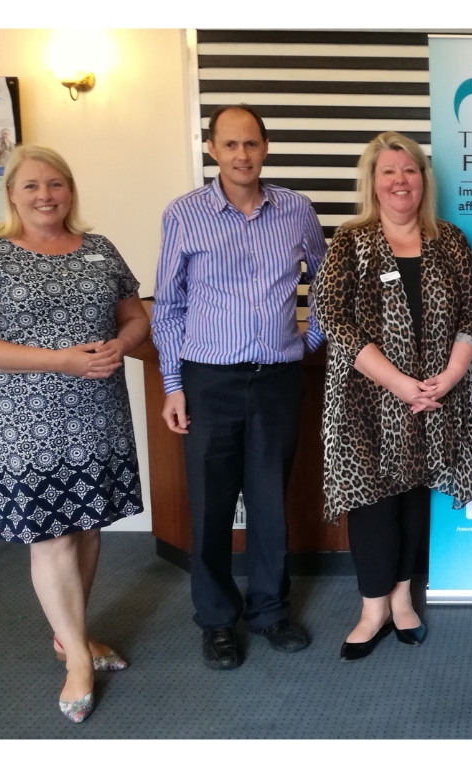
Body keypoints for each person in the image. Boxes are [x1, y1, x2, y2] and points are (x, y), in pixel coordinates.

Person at [152, 104, 327, 670]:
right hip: (209, 382)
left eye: (251, 143)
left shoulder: (296, 209)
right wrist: (174, 384)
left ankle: (271, 610)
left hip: (276, 380)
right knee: (211, 505)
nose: (241, 155)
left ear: (266, 147)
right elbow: (169, 306)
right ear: (212, 150)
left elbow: (327, 280)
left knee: (271, 501)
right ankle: (217, 621)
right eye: (230, 144)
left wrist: (309, 340)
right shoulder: (184, 214)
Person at [0, 145, 148, 722]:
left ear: (70, 190)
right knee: (50, 536)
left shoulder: (100, 250)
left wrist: (120, 345)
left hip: (97, 414)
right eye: (31, 185)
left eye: (55, 184)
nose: (45, 195)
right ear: (11, 194)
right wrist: (60, 361)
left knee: (87, 529)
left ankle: (69, 633)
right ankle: (77, 657)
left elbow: (136, 317)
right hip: (25, 423)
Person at [312, 131, 472, 661]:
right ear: (372, 182)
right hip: (365, 402)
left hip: (434, 396)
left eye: (409, 170)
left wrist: (449, 376)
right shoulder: (350, 241)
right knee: (371, 501)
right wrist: (398, 382)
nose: (400, 180)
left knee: (413, 496)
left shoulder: (449, 241)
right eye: (388, 171)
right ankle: (372, 609)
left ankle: (402, 599)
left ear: (423, 180)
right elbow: (332, 318)